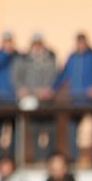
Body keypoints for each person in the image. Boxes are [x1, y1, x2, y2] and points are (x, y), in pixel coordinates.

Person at [53, 33, 92, 165]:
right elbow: (64, 75)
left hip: (91, 100)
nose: (80, 45)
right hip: (75, 99)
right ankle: (73, 157)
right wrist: (53, 89)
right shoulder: (72, 57)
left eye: (82, 42)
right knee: (72, 128)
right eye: (78, 42)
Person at [12, 32, 57, 162]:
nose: (37, 47)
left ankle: (50, 158)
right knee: (33, 130)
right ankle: (34, 157)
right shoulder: (23, 60)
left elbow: (54, 77)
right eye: (35, 44)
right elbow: (16, 78)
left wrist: (48, 89)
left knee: (49, 129)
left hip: (47, 102)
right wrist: (23, 89)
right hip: (30, 100)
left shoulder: (49, 59)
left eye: (39, 44)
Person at [0, 31, 20, 162]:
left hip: (14, 98)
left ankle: (12, 156)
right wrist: (7, 53)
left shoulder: (17, 56)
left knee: (14, 129)